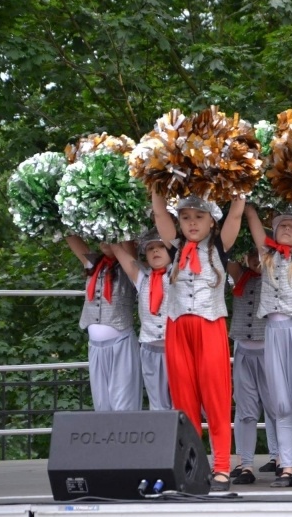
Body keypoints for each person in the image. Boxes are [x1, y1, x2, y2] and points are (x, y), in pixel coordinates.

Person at [151, 191, 245, 492]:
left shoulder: (219, 246)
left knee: (216, 397)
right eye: (186, 217)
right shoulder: (175, 247)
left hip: (209, 326)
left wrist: (239, 189)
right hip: (177, 327)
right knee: (184, 399)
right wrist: (156, 187)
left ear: (211, 223)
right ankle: (191, 466)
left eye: (199, 217)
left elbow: (236, 216)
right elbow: (159, 216)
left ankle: (221, 467)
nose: (191, 223)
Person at [245, 202, 292, 488]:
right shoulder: (267, 256)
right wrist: (248, 204)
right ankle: (287, 465)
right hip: (273, 332)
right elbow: (253, 223)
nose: (287, 229)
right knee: (281, 404)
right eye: (282, 226)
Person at [65, 235, 142, 411]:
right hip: (95, 346)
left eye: (111, 236)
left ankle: (127, 437)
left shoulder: (130, 268)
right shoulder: (93, 265)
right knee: (102, 405)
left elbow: (128, 247)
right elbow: (71, 238)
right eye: (102, 236)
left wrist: (118, 227)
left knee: (124, 404)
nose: (105, 240)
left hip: (121, 342)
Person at [110, 229, 175, 410]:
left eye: (161, 246)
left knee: (181, 403)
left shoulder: (180, 273)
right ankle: (162, 438)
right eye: (150, 248)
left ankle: (181, 438)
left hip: (176, 349)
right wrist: (110, 235)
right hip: (151, 349)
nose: (155, 251)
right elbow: (122, 256)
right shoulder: (142, 277)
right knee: (158, 405)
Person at [226, 248, 270, 485]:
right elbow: (225, 254)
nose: (256, 259)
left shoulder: (277, 273)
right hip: (243, 351)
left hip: (269, 352)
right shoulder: (239, 274)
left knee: (276, 408)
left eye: (260, 253)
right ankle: (246, 464)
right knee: (245, 411)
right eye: (251, 253)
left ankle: (284, 460)